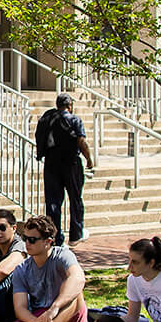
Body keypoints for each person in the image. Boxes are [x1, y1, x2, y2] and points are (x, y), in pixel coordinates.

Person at [36, 93, 97, 243]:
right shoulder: (74, 119)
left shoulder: (48, 119)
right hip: (71, 163)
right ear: (70, 105)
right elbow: (81, 141)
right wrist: (89, 159)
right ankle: (76, 234)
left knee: (53, 202)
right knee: (75, 199)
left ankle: (55, 237)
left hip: (51, 163)